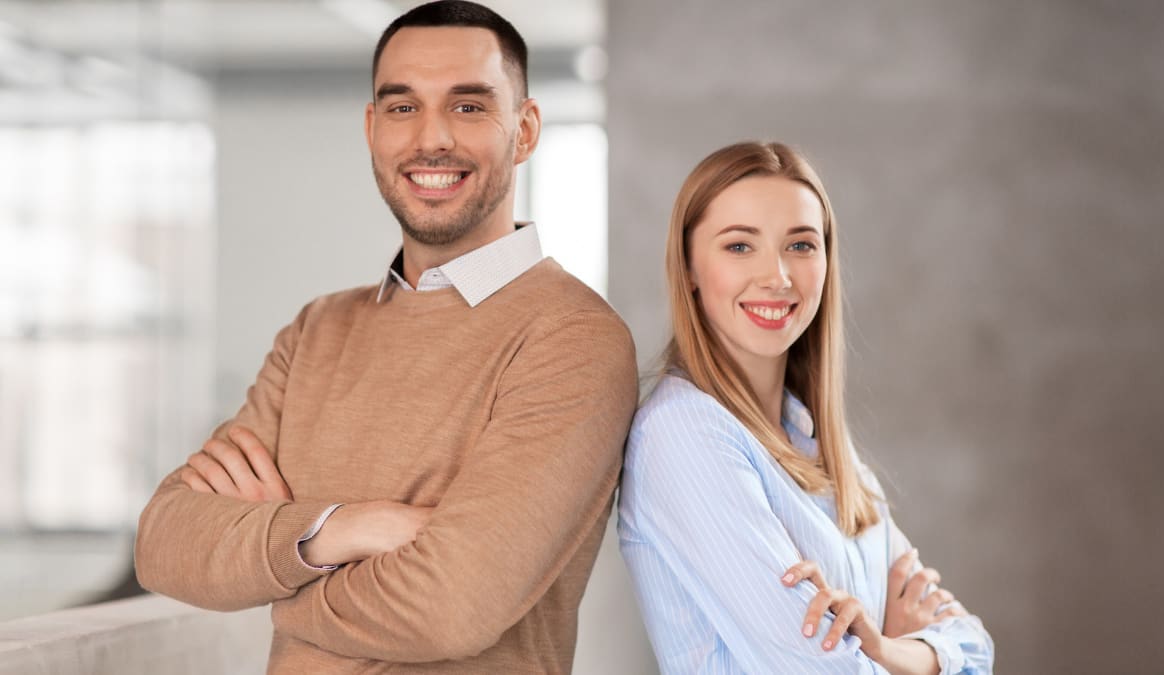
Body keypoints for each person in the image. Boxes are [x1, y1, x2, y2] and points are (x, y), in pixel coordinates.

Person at [134, 1, 637, 672]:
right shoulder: (316, 331)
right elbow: (164, 540)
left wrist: (275, 564)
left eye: (468, 106)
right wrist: (337, 529)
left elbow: (450, 605)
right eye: (403, 108)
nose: (432, 139)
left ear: (525, 130)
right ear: (373, 129)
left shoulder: (573, 338)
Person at [618, 141, 994, 674]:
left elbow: (978, 647)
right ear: (690, 267)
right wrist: (916, 657)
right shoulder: (683, 434)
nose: (778, 276)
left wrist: (885, 650)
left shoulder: (822, 449)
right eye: (740, 247)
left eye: (800, 244)